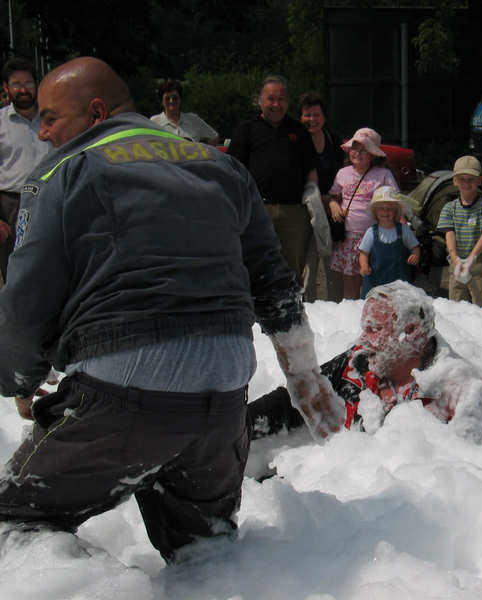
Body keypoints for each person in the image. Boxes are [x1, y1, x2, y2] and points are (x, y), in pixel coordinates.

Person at [0, 57, 344, 563]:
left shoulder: (59, 172)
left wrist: (18, 378)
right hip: (223, 397)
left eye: (51, 118)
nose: (44, 132)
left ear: (96, 111)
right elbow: (274, 283)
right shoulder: (221, 164)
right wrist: (305, 378)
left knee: (14, 521)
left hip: (124, 389)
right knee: (205, 556)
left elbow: (27, 299)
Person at [246, 280, 482, 446]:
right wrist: (234, 429)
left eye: (374, 329)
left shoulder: (460, 393)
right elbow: (299, 400)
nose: (363, 340)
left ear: (411, 331)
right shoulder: (359, 360)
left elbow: (471, 480)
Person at [228, 75, 319, 287]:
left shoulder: (299, 131)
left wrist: (312, 197)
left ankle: (293, 315)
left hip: (294, 213)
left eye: (281, 99)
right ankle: (254, 316)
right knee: (254, 266)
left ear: (287, 101)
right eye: (271, 99)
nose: (276, 104)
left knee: (292, 270)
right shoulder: (246, 129)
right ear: (260, 100)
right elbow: (233, 169)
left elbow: (311, 169)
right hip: (256, 212)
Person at [328, 127, 398, 299]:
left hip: (374, 236)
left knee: (372, 280)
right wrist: (334, 206)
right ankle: (351, 313)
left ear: (373, 155)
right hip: (349, 237)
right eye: (355, 148)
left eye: (364, 150)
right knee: (350, 280)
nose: (358, 153)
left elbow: (395, 199)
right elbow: (333, 197)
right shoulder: (342, 173)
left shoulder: (383, 174)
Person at [0, 57, 50, 285]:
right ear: (5, 88)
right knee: (14, 270)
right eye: (16, 84)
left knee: (53, 262)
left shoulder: (53, 119)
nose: (23, 90)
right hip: (11, 205)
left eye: (28, 83)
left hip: (52, 198)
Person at [436, 155, 482, 309]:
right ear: (455, 181)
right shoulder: (449, 208)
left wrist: (472, 257)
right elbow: (449, 234)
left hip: (478, 264)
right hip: (456, 264)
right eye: (462, 179)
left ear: (479, 180)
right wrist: (455, 259)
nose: (466, 183)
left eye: (471, 179)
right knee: (457, 305)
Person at [299, 92, 345, 302]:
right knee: (308, 267)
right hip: (305, 212)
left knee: (334, 267)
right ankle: (308, 312)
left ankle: (337, 312)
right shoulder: (295, 142)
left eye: (316, 115)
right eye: (307, 115)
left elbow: (344, 175)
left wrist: (333, 200)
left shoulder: (334, 141)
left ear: (324, 117)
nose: (312, 120)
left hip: (332, 212)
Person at [358, 186, 420, 297]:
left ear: (396, 211)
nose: (385, 212)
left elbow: (415, 246)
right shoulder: (371, 232)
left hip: (399, 283)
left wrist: (415, 255)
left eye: (389, 209)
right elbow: (364, 253)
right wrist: (364, 265)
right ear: (375, 211)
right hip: (375, 282)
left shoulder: (404, 230)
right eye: (381, 208)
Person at [150, 79, 220, 145]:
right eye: (167, 98)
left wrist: (203, 152)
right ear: (162, 101)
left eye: (175, 98)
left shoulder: (193, 119)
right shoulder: (154, 122)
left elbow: (214, 137)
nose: (171, 101)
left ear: (180, 100)